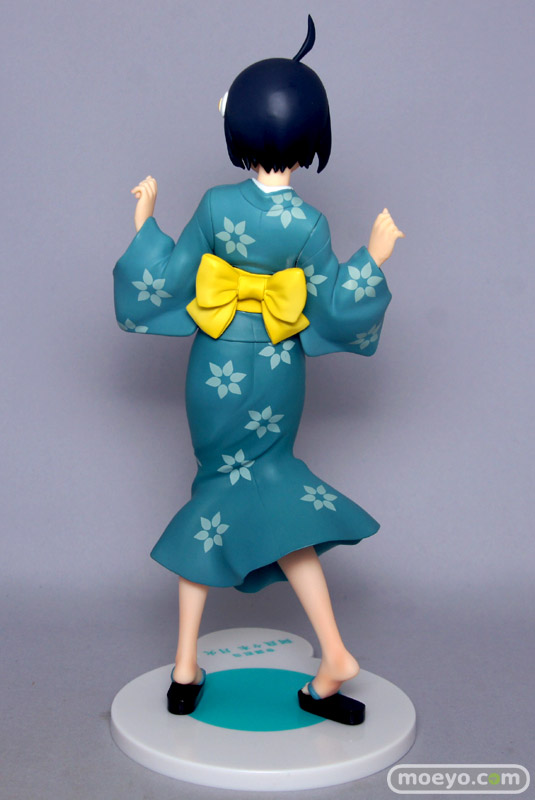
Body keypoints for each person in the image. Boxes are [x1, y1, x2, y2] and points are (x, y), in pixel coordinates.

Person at [113, 16, 404, 724]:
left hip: (216, 363)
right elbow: (334, 302)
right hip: (278, 367)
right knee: (272, 483)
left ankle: (187, 664)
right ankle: (330, 652)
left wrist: (144, 222)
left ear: (238, 124)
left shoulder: (217, 206)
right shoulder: (309, 223)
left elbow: (171, 277)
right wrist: (373, 258)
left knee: (213, 491)